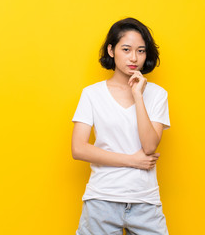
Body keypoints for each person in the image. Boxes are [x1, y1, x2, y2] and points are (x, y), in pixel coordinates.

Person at [71, 17, 170, 235]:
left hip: (145, 201)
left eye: (141, 51)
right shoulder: (92, 94)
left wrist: (138, 96)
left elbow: (149, 146)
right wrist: (132, 161)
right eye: (126, 49)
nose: (134, 57)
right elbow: (78, 149)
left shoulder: (157, 95)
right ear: (111, 50)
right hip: (102, 200)